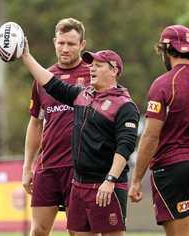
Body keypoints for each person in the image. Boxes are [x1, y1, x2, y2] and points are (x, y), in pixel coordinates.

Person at [21, 38, 139, 235]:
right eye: (91, 64)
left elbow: (125, 147)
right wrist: (26, 56)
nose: (92, 68)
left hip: (106, 185)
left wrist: (110, 180)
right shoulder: (82, 95)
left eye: (99, 65)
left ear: (114, 70)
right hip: (79, 184)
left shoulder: (125, 105)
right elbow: (51, 83)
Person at [129, 25, 189, 236]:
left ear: (166, 50)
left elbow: (151, 135)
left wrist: (137, 179)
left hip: (173, 169)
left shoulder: (164, 83)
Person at [22, 18, 90, 236]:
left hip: (80, 168)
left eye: (71, 43)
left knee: (79, 232)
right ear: (54, 42)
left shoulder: (93, 74)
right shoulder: (43, 77)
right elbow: (35, 122)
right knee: (38, 231)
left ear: (82, 45)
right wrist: (27, 166)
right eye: (61, 43)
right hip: (48, 166)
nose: (65, 48)